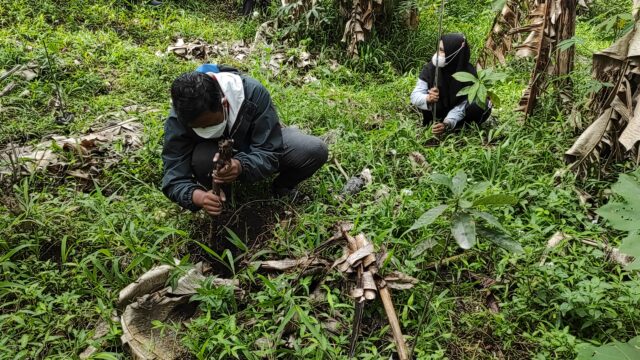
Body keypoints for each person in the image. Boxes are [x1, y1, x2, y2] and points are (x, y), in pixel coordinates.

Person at [162, 64, 328, 216]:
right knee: (203, 160)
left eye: (212, 124)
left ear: (224, 103)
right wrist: (198, 197)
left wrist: (241, 165)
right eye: (200, 128)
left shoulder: (252, 93)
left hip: (255, 146)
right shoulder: (179, 117)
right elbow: (174, 175)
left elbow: (270, 151)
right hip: (209, 156)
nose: (207, 131)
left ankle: (281, 188)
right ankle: (222, 195)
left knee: (314, 150)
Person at [410, 33, 492, 135]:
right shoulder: (430, 68)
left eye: (442, 51)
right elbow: (415, 96)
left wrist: (447, 123)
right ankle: (436, 125)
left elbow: (462, 105)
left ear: (453, 52)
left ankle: (462, 128)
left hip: (459, 117)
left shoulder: (468, 74)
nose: (437, 54)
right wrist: (428, 98)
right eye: (438, 49)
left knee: (480, 103)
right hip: (437, 113)